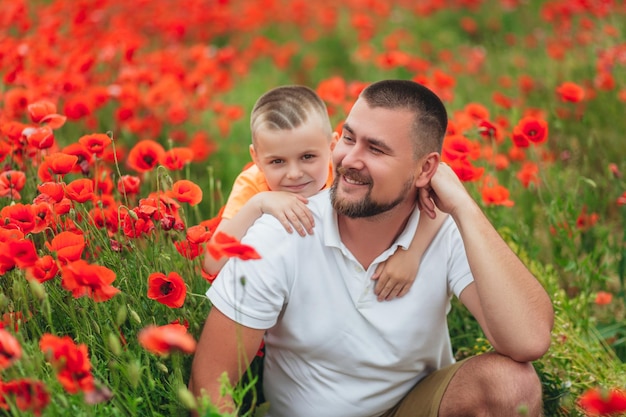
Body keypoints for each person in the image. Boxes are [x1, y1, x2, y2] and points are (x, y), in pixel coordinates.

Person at [190, 80, 554, 417]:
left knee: (511, 385)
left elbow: (528, 341)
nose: (349, 160)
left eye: (376, 149)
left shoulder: (440, 227)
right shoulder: (280, 233)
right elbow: (209, 386)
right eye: (349, 139)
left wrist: (463, 206)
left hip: (412, 404)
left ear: (426, 169)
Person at [204, 84, 446, 301]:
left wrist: (412, 253)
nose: (294, 173)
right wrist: (258, 204)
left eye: (308, 157)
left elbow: (441, 205)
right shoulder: (254, 185)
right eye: (277, 161)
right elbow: (213, 262)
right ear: (256, 158)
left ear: (333, 145)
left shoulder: (346, 174)